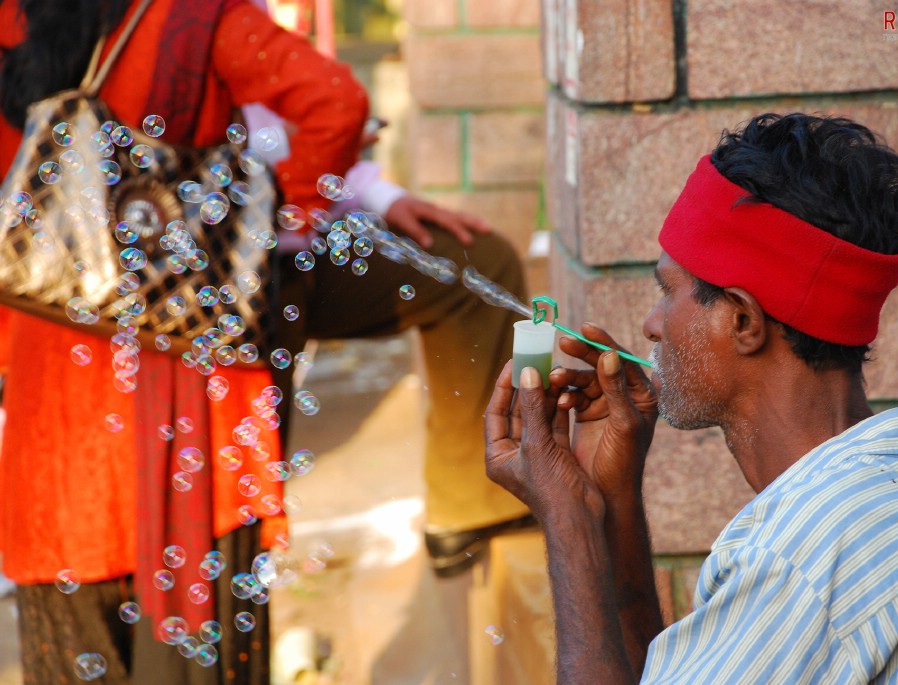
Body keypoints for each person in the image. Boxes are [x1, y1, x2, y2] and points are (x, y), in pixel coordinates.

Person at [0, 0, 527, 682]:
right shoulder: (187, 15)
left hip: (54, 414)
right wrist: (260, 238)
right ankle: (468, 522)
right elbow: (336, 101)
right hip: (191, 395)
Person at [485, 113, 898, 682]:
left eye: (668, 292)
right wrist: (608, 498)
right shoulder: (886, 499)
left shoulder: (807, 562)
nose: (650, 324)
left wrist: (567, 524)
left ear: (743, 320)